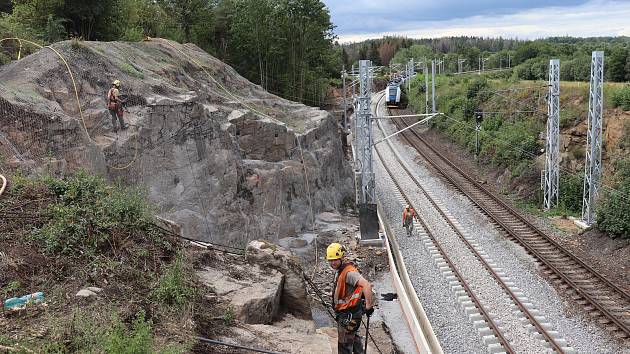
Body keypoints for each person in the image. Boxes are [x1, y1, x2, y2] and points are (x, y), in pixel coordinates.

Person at [327, 242, 374, 354]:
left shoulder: (349, 273)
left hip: (349, 315)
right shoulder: (341, 270)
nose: (333, 262)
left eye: (335, 259)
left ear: (342, 257)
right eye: (330, 260)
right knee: (353, 337)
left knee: (344, 345)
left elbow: (366, 285)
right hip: (349, 313)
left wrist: (369, 307)